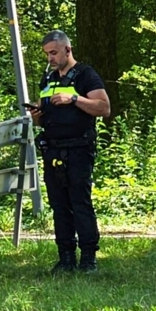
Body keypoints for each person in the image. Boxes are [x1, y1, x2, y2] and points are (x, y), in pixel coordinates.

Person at [26, 30, 110, 273]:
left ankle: (88, 257)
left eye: (53, 52)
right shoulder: (48, 80)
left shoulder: (86, 75)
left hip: (78, 149)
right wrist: (37, 116)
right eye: (47, 54)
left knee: (79, 202)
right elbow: (44, 119)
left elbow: (104, 108)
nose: (50, 58)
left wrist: (74, 100)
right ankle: (65, 257)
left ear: (67, 50)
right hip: (53, 150)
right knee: (59, 205)